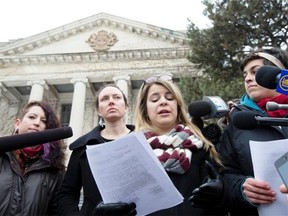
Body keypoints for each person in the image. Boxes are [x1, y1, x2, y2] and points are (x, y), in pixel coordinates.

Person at [190, 47, 288, 215]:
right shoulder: (238, 121)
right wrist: (241, 188)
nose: (248, 78)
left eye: (256, 72)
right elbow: (226, 173)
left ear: (279, 76)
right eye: (245, 75)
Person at [133, 74, 225, 215]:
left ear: (178, 105)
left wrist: (221, 193)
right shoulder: (133, 151)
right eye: (154, 99)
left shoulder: (201, 146)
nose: (163, 102)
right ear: (144, 109)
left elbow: (220, 204)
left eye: (169, 98)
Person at [57, 84, 136, 216]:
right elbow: (67, 193)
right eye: (105, 99)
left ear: (126, 106)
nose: (111, 101)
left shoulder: (145, 140)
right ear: (99, 110)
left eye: (116, 97)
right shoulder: (82, 147)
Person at [0, 100, 66, 215]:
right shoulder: (2, 156)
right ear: (17, 123)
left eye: (43, 121)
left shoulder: (54, 169)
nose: (37, 123)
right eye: (32, 117)